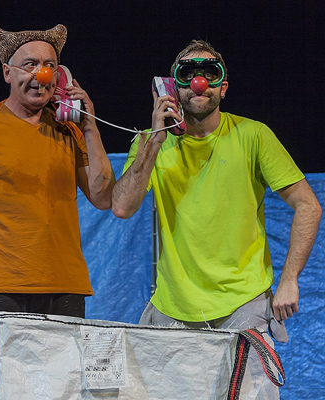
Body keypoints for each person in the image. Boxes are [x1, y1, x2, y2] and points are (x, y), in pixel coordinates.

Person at [112, 40, 322, 398]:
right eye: (187, 73)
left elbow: (308, 206)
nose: (199, 82)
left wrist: (289, 280)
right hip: (174, 307)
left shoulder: (253, 135)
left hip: (243, 305)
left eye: (210, 73)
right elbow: (121, 207)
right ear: (171, 87)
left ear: (223, 87)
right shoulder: (150, 143)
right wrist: (156, 141)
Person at [0, 23, 115, 318]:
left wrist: (90, 127)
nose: (41, 74)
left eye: (49, 66)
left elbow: (103, 198)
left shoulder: (70, 130)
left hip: (66, 287)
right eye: (30, 64)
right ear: (7, 72)